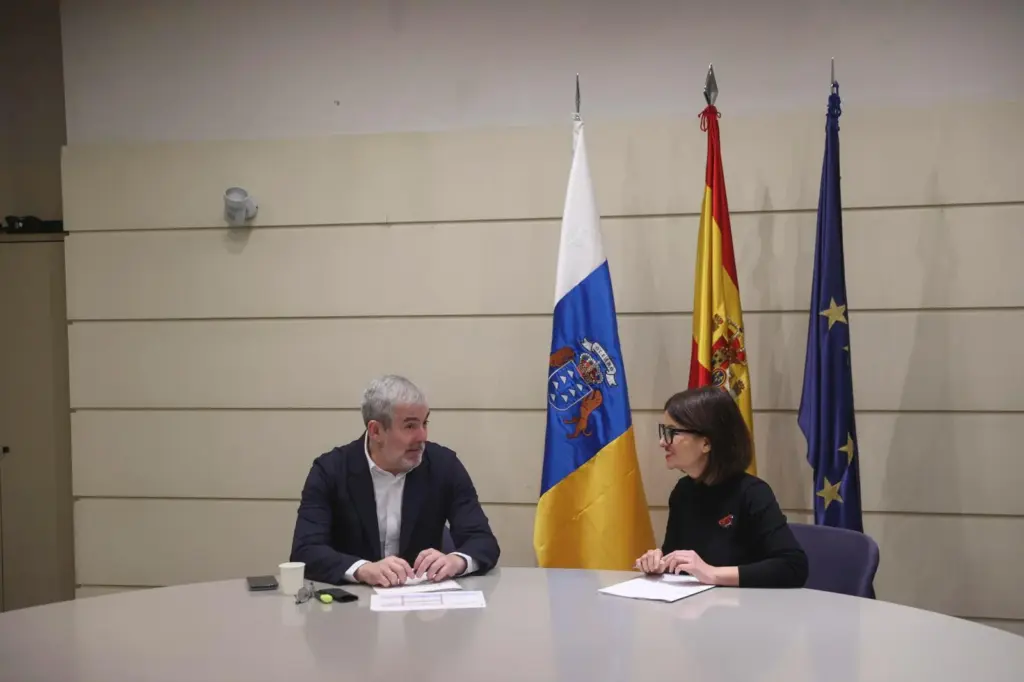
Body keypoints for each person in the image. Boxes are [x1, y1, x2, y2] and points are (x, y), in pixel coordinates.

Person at [290, 375, 500, 587]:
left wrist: (456, 561)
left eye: (424, 423)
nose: (422, 436)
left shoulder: (443, 466)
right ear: (376, 431)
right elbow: (306, 550)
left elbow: (482, 540)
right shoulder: (330, 471)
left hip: (423, 610)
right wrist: (362, 569)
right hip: (352, 604)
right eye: (410, 426)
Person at [635, 386, 808, 588]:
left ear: (707, 443)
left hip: (746, 612)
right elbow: (677, 557)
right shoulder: (683, 491)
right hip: (695, 611)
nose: (662, 442)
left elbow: (793, 566)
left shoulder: (752, 493)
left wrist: (713, 573)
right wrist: (660, 562)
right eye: (663, 431)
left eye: (672, 432)